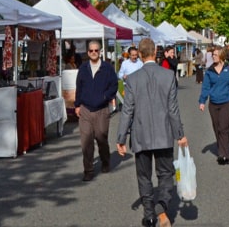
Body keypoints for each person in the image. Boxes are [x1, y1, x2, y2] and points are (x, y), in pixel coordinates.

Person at [117, 38, 188, 227]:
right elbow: (173, 109)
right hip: (163, 133)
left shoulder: (132, 79)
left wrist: (121, 137)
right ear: (155, 51)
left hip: (141, 133)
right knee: (166, 173)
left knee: (144, 176)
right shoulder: (168, 76)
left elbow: (127, 110)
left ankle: (149, 214)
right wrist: (180, 134)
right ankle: (162, 203)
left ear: (139, 54)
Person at [74, 41, 119, 182]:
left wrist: (106, 96)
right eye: (91, 50)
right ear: (87, 52)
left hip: (102, 109)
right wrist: (77, 105)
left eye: (96, 50)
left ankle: (105, 161)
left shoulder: (107, 68)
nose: (94, 52)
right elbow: (79, 87)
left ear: (100, 52)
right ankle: (88, 170)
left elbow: (114, 85)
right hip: (86, 109)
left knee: (101, 137)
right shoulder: (83, 68)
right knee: (86, 140)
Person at [198, 46, 229, 165]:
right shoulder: (210, 71)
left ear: (221, 56)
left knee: (223, 128)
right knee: (216, 128)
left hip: (227, 102)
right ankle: (222, 149)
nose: (213, 56)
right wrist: (202, 101)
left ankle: (224, 155)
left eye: (215, 54)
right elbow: (205, 87)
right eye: (212, 55)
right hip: (213, 104)